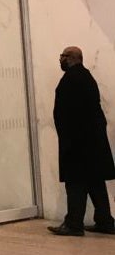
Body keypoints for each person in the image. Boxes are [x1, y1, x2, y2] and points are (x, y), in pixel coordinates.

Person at [48, 46, 115, 236]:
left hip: (77, 144)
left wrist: (67, 139)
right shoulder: (86, 77)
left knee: (75, 183)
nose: (60, 59)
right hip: (93, 144)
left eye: (63, 56)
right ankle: (105, 222)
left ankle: (73, 223)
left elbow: (67, 114)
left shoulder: (71, 79)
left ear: (72, 58)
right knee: (95, 183)